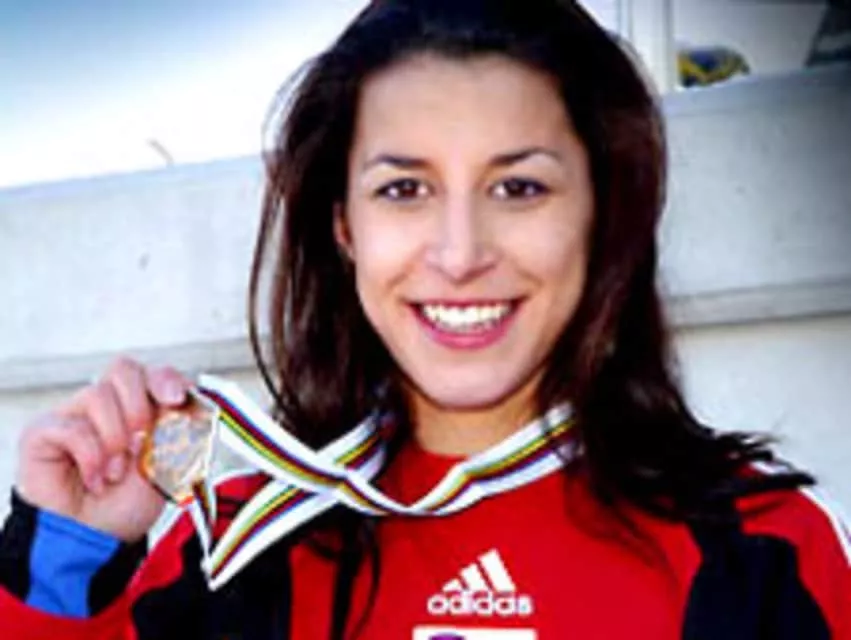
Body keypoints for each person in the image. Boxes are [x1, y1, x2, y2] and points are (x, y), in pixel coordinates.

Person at [1, 1, 849, 638]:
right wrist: (65, 564)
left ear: (602, 213)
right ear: (343, 225)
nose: (459, 252)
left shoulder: (761, 548)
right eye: (403, 189)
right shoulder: (242, 547)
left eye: (518, 187)